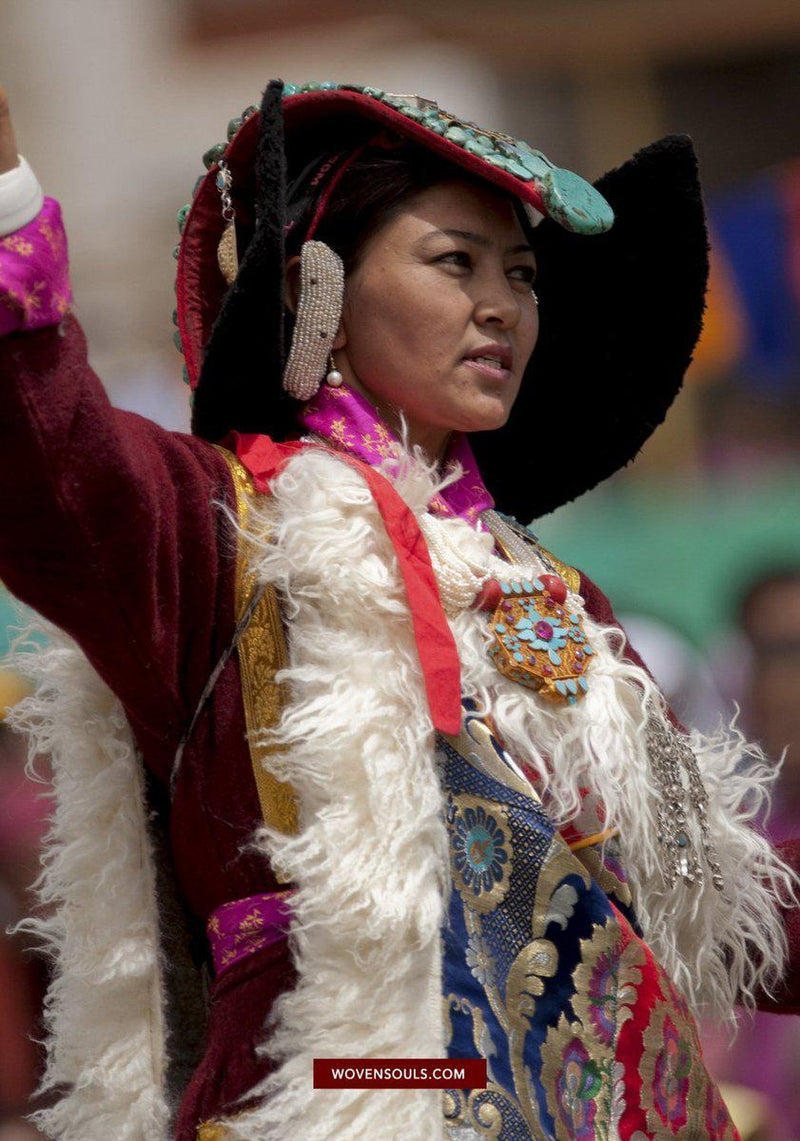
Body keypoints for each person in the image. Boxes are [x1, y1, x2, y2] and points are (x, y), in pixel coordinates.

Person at [0, 79, 798, 1141]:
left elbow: (724, 909)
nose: (502, 304)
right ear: (317, 287)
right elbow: (47, 457)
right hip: (355, 1101)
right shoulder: (217, 533)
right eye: (453, 262)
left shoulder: (559, 601)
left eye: (519, 274)